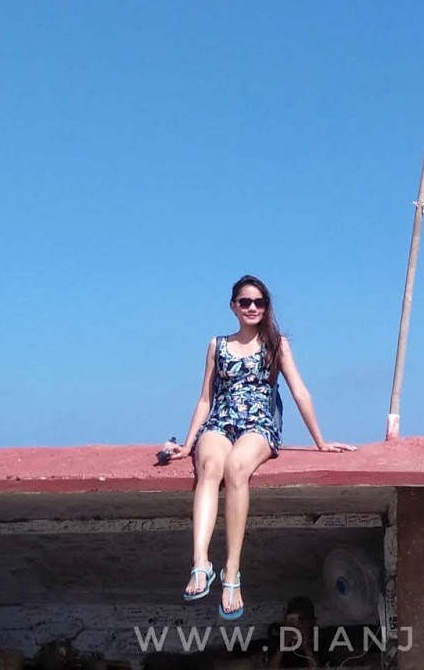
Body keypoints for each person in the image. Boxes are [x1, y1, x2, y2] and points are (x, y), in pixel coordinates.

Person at [162, 275, 356, 620]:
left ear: (266, 306)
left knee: (237, 469)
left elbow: (299, 391)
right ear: (233, 306)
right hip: (220, 422)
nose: (252, 307)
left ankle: (232, 571)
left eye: (259, 302)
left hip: (258, 426)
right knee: (209, 469)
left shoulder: (276, 344)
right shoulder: (217, 345)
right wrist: (187, 443)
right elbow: (205, 398)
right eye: (245, 302)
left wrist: (321, 442)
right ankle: (201, 563)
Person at [268, 595, 322, 669]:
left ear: (312, 622)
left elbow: (318, 668)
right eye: (292, 620)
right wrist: (283, 645)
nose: (296, 625)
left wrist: (306, 647)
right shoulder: (277, 642)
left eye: (301, 620)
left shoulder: (319, 642)